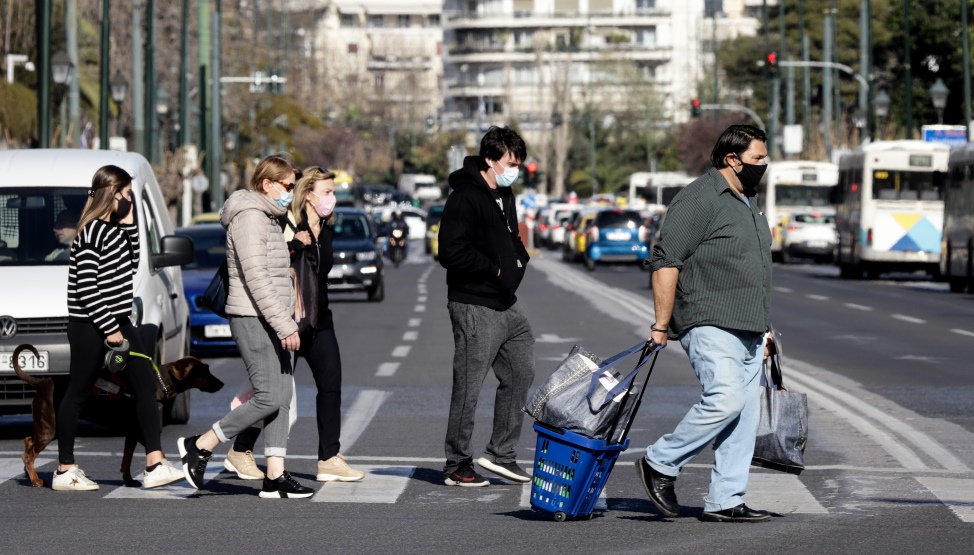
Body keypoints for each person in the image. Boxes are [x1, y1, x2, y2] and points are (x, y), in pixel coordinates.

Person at [636, 124, 774, 522]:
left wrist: (766, 330)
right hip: (708, 319)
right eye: (757, 159)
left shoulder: (747, 200)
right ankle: (660, 463)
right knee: (726, 400)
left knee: (745, 416)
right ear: (732, 159)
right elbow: (666, 261)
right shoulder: (699, 198)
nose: (763, 166)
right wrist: (661, 325)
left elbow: (755, 267)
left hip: (749, 326)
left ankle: (726, 500)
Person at [177, 154, 315, 499]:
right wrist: (286, 325)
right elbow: (256, 278)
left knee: (281, 395)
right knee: (269, 395)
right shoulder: (251, 217)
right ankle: (201, 444)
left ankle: (275, 476)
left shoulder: (269, 217)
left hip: (269, 317)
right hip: (253, 318)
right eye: (286, 185)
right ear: (266, 184)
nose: (290, 191)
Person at [225, 166, 365, 484]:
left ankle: (329, 458)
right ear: (308, 194)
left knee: (330, 385)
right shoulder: (284, 223)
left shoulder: (326, 228)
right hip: (287, 319)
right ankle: (240, 448)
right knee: (275, 392)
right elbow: (269, 264)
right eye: (327, 192)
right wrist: (296, 246)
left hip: (318, 318)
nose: (333, 199)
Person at [55, 165, 184, 491]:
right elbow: (87, 288)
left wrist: (128, 222)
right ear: (109, 195)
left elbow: (132, 260)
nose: (129, 200)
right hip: (90, 325)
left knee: (145, 386)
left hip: (120, 321)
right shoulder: (90, 232)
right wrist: (109, 328)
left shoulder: (113, 229)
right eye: (125, 195)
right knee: (78, 393)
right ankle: (64, 469)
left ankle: (154, 462)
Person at [437, 125, 535, 487]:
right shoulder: (465, 198)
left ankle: (501, 454)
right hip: (474, 304)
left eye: (520, 164)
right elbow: (450, 251)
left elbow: (512, 239)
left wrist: (518, 261)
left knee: (522, 371)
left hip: (506, 303)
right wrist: (493, 269)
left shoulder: (504, 194)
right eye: (511, 163)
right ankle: (457, 463)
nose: (516, 170)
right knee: (469, 385)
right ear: (490, 160)